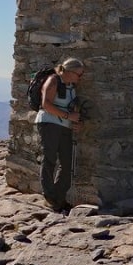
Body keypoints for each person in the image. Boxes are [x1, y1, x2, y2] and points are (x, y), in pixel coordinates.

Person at [35, 57, 86, 213]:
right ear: (70, 71)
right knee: (49, 158)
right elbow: (46, 104)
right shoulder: (53, 81)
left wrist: (76, 122)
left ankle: (58, 197)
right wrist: (68, 117)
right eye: (79, 74)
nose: (80, 77)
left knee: (67, 162)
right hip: (49, 123)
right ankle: (50, 197)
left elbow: (73, 108)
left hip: (64, 126)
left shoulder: (71, 86)